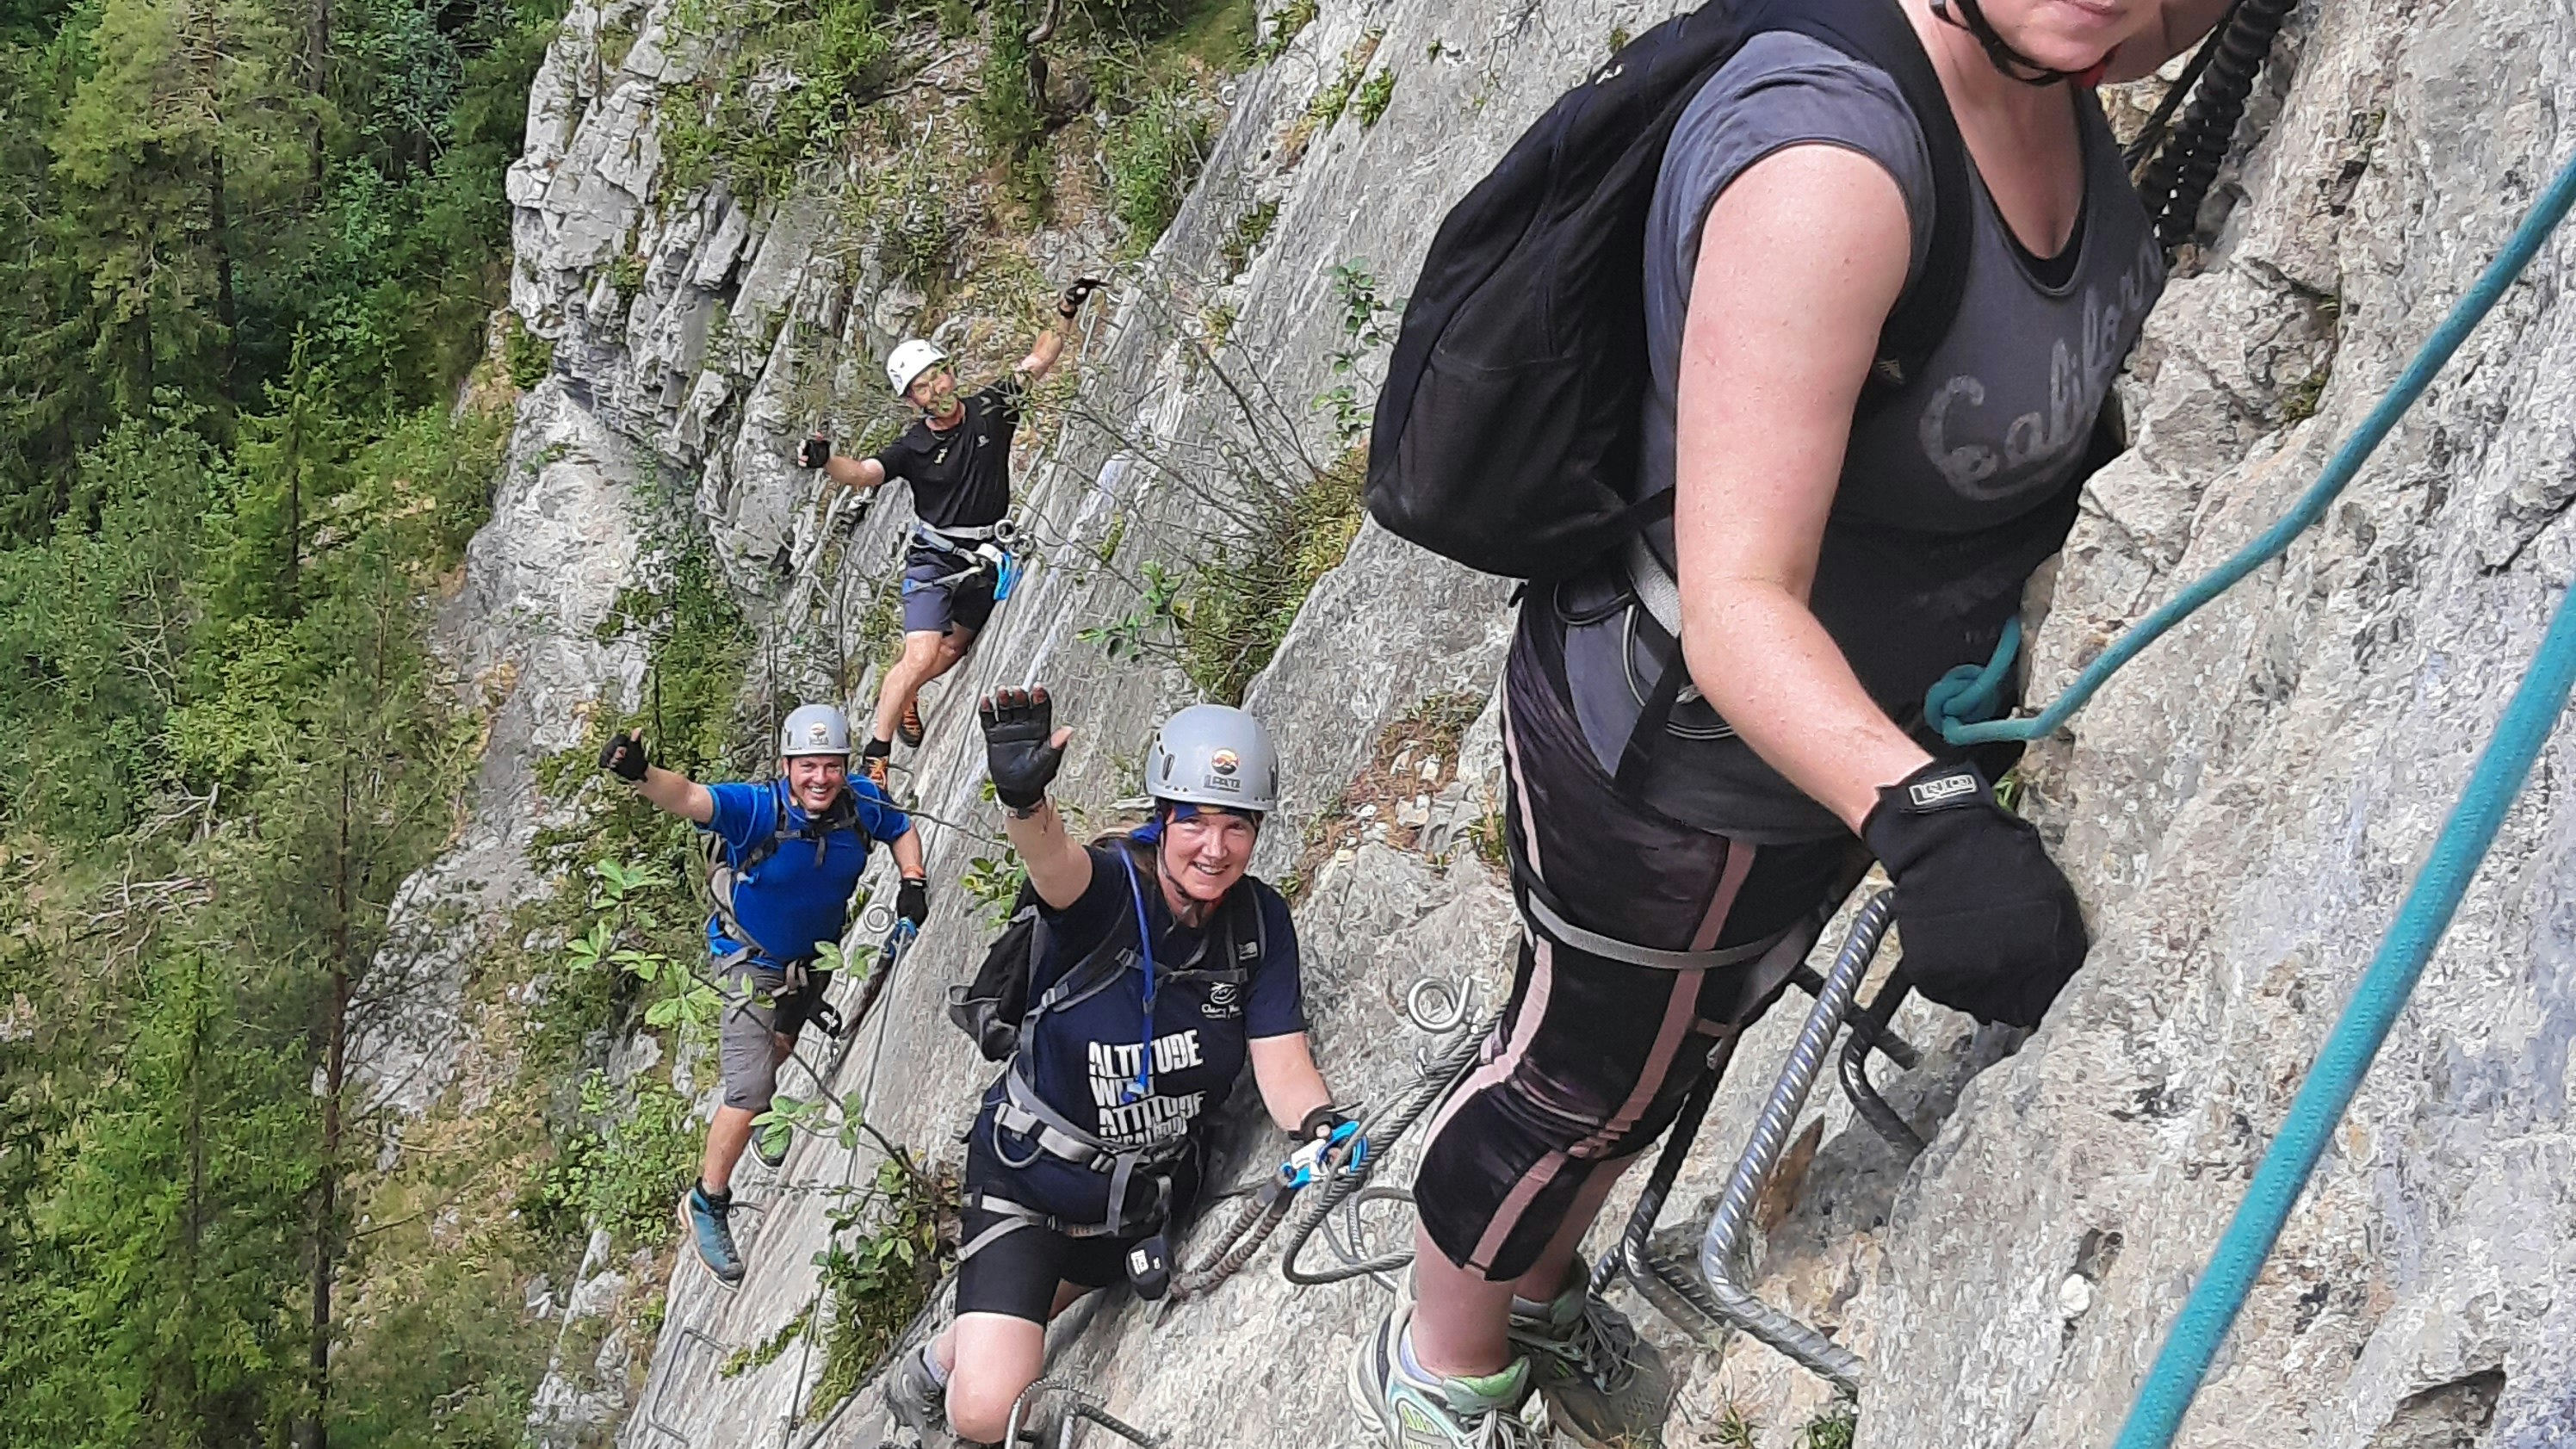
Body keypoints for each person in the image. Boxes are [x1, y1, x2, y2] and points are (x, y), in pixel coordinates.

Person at [1350, 0, 2235, 1444]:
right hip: (1676, 765)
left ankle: (1538, 1280)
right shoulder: (1828, 172)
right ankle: (1441, 1366)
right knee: (1578, 1082)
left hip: (1822, 755)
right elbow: (1739, 600)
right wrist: (1925, 819)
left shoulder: (2056, 53)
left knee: (1666, 1056)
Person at [883, 687, 1365, 1446]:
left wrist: (1321, 1125)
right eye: (1195, 820)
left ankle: (959, 1344)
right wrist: (1024, 801)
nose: (1215, 847)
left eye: (1237, 824)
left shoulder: (1259, 924)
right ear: (1162, 816)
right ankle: (949, 1364)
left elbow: (1282, 1062)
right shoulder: (1110, 889)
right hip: (1031, 1181)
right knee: (987, 1411)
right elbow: (1055, 863)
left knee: (1040, 1310)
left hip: (1142, 1198)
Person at [599, 702, 932, 1285]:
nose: (820, 778)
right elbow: (692, 797)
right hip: (750, 958)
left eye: (831, 765)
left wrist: (913, 881)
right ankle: (707, 1199)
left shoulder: (860, 801)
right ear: (786, 766)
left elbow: (900, 828)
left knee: (781, 1044)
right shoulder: (757, 809)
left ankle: (764, 1121)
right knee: (749, 1089)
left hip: (813, 958)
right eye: (808, 766)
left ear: (844, 765)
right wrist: (643, 775)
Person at [795, 279, 1106, 791]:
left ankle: (909, 694)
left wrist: (1066, 309)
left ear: (951, 373)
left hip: (986, 556)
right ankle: (877, 756)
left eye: (938, 375)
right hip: (935, 560)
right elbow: (865, 474)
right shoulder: (912, 447)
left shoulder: (991, 408)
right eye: (922, 387)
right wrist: (827, 462)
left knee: (950, 652)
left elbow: (1040, 358)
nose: (936, 389)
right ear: (912, 401)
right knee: (919, 656)